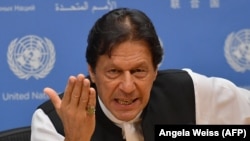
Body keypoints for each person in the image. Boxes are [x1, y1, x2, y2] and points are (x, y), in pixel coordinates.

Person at [30, 7, 250, 141]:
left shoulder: (189, 93)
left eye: (139, 71)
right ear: (92, 72)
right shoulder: (53, 122)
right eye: (114, 72)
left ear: (155, 70)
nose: (127, 86)